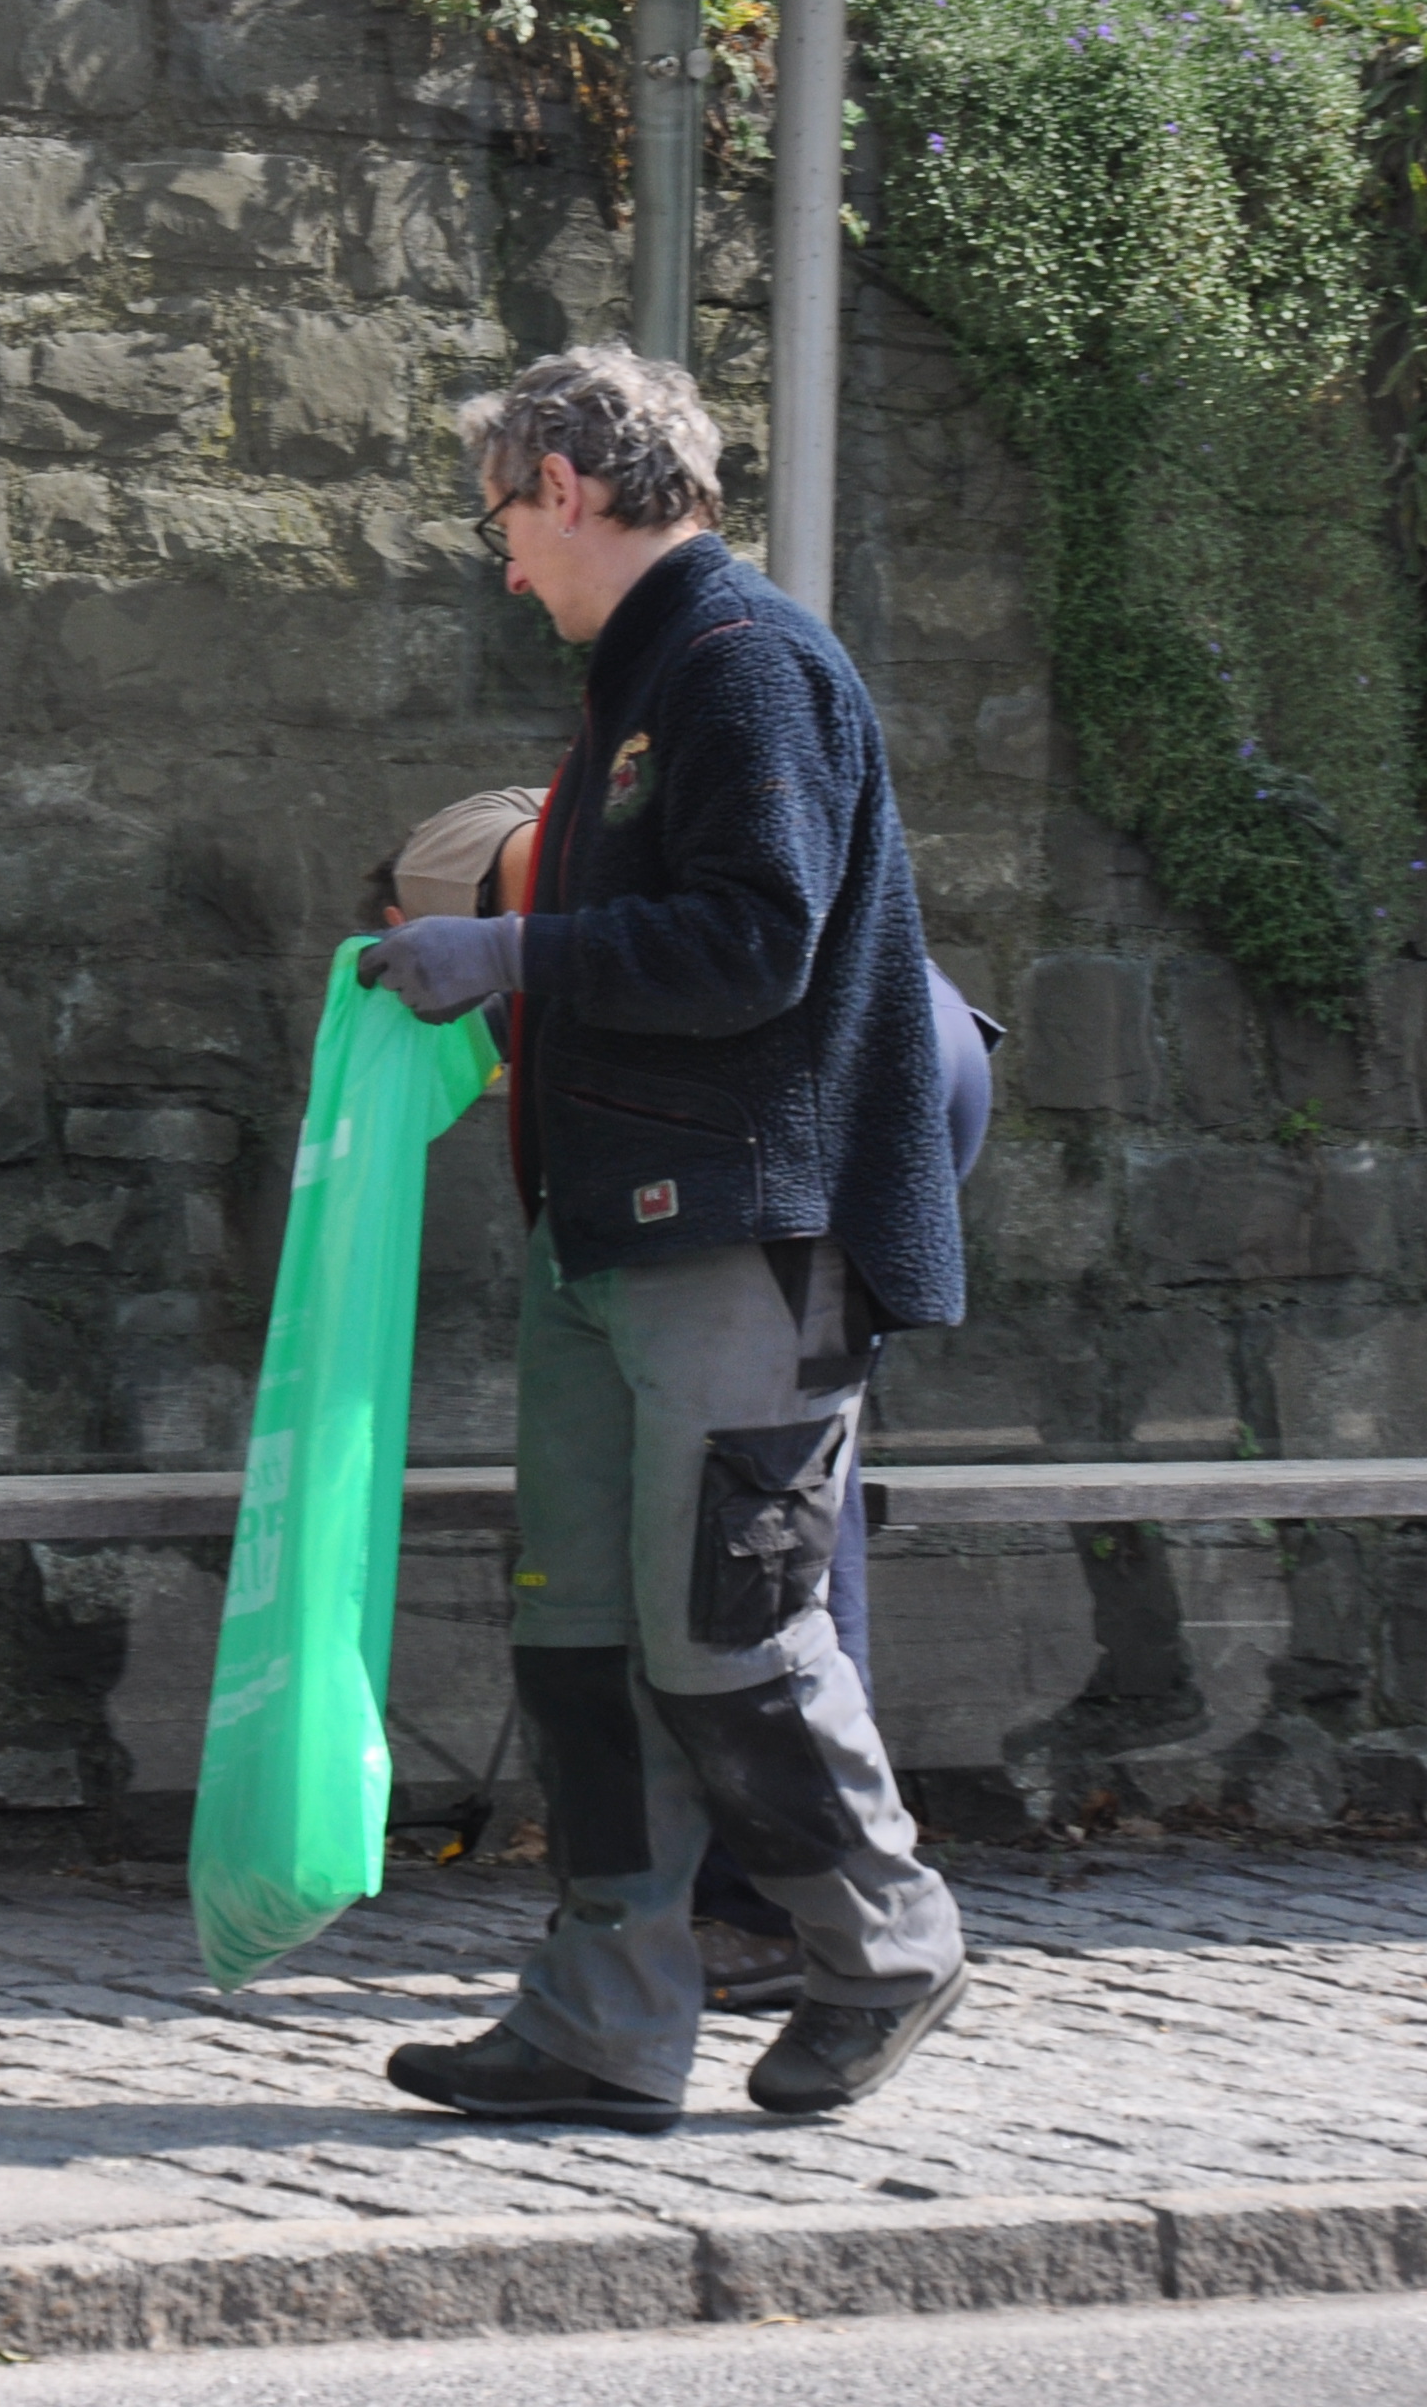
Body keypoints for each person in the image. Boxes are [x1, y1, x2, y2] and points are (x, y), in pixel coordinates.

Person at [357, 344, 970, 2128]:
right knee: (581, 1638)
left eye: (501, 519)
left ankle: (886, 1940)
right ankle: (602, 2019)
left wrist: (506, 952)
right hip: (616, 1236)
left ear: (563, 485)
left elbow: (755, 944)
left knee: (722, 1632)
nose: (502, 563)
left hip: (740, 1231)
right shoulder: (651, 673)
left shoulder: (743, 660)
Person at [372, 790, 999, 2016]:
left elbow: (700, 960)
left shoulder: (533, 888)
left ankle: (785, 1919)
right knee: (776, 1518)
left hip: (817, 1107)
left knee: (748, 1554)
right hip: (895, 1055)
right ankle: (724, 1926)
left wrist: (494, 961)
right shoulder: (610, 821)